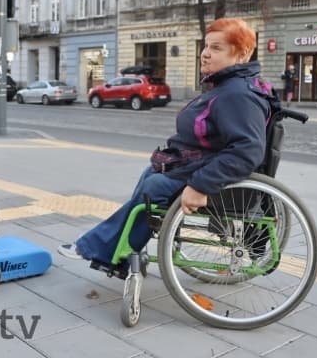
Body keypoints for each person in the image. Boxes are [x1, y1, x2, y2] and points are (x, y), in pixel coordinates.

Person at [57, 18, 271, 266]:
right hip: (194, 163)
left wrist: (200, 186)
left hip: (212, 178)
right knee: (150, 176)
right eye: (205, 46)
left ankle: (101, 249)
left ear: (242, 54)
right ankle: (118, 251)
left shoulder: (237, 94)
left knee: (155, 187)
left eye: (216, 48)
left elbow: (247, 150)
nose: (205, 54)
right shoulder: (226, 87)